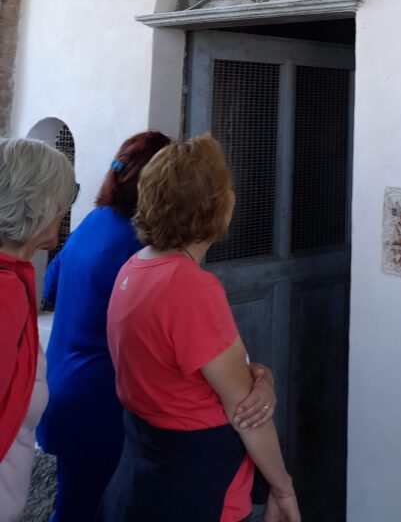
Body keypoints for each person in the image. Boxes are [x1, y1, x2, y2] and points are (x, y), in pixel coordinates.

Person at [38, 130, 278, 522]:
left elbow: (51, 286)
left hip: (63, 388)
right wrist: (257, 378)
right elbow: (206, 360)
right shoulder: (151, 256)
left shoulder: (94, 221)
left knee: (73, 504)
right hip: (106, 405)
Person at [98, 135, 300, 522]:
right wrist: (283, 487)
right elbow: (247, 414)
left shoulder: (135, 267)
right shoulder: (190, 287)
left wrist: (260, 376)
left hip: (144, 478)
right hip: (197, 488)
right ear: (215, 208)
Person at [0, 137, 78, 522]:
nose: (64, 211)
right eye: (63, 200)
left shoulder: (14, 279)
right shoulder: (4, 292)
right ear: (39, 204)